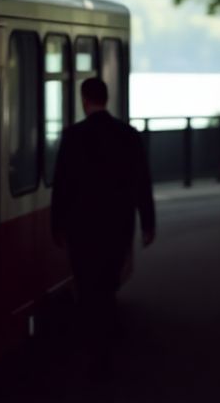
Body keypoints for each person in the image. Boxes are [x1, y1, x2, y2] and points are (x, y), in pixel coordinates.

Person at [50, 77, 156, 374]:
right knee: (108, 284)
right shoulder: (128, 135)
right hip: (117, 224)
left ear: (84, 100)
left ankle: (90, 346)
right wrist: (148, 222)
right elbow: (141, 183)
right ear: (106, 98)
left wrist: (56, 224)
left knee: (85, 284)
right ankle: (106, 343)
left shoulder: (73, 136)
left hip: (81, 225)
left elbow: (62, 185)